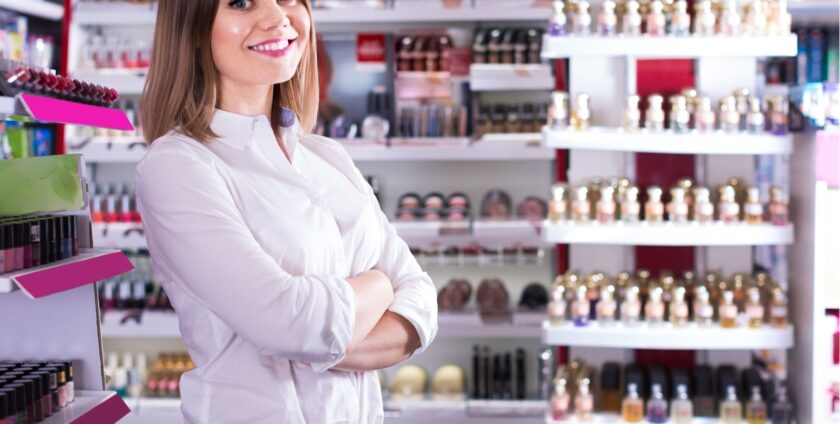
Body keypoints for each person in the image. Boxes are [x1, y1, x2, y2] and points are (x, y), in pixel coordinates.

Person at [135, 1, 438, 422]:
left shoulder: (326, 156)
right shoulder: (177, 166)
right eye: (241, 2)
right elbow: (291, 325)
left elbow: (420, 308)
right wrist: (381, 283)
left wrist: (313, 340)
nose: (278, 17)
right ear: (191, 26)